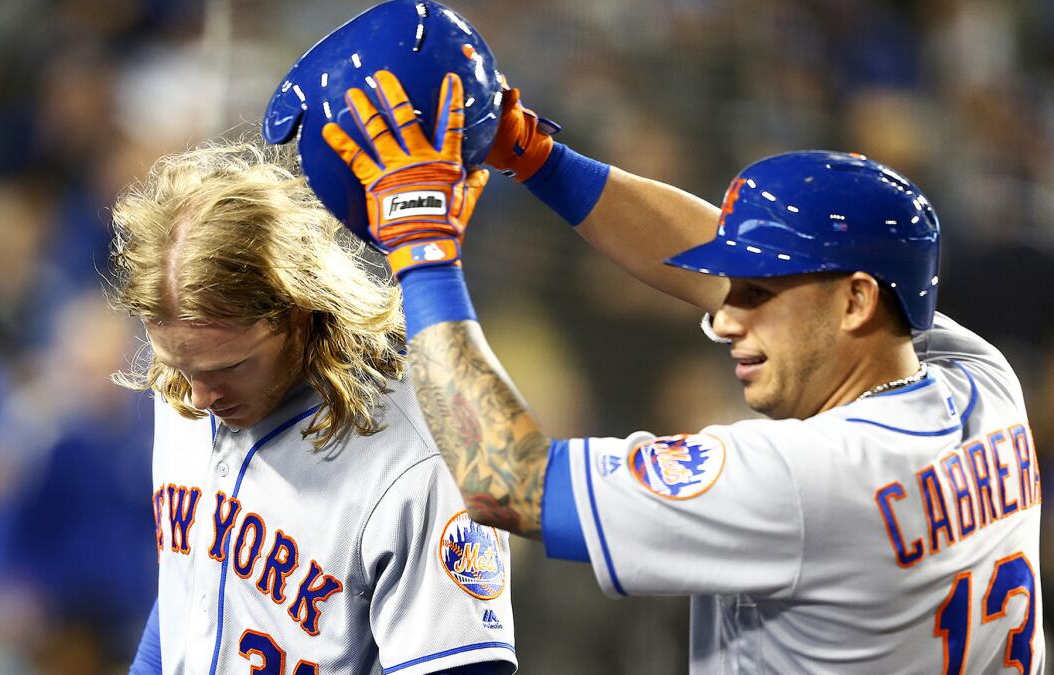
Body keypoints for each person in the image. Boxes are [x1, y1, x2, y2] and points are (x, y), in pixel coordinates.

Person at [322, 70, 1044, 672]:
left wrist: (422, 249)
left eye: (756, 295)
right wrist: (537, 156)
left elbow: (505, 482)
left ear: (856, 299)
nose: (726, 318)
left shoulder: (800, 476)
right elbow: (717, 256)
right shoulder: (981, 381)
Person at [108, 141, 516, 674]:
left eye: (229, 367)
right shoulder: (185, 386)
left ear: (300, 315)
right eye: (182, 367)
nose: (201, 396)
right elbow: (193, 592)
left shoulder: (422, 458)